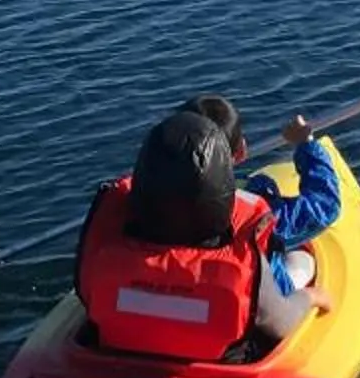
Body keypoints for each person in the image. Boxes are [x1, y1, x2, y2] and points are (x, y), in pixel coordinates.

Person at [74, 94, 344, 362]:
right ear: (240, 152)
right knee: (302, 259)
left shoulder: (120, 210)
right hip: (227, 345)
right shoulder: (255, 217)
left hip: (127, 338)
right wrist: (306, 146)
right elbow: (325, 205)